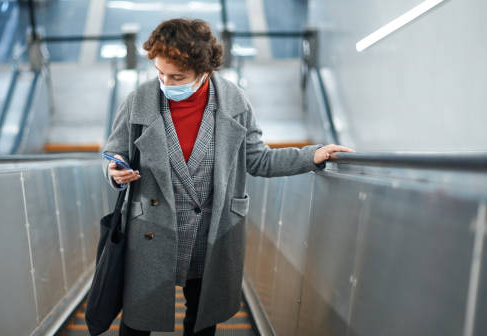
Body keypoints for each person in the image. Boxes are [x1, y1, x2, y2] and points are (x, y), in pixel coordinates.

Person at [102, 18, 354, 336]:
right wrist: (115, 170)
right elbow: (114, 152)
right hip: (152, 229)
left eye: (177, 76)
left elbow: (258, 159)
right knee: (137, 320)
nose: (165, 82)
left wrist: (309, 156)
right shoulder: (140, 100)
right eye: (160, 73)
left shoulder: (234, 103)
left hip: (212, 229)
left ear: (204, 70)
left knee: (203, 317)